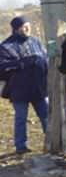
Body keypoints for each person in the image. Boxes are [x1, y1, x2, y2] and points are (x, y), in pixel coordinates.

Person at [0, 16, 48, 154]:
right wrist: (21, 64)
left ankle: (53, 140)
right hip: (19, 89)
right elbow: (2, 67)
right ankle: (21, 146)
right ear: (16, 29)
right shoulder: (6, 46)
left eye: (28, 25)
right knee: (21, 118)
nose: (27, 28)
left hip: (39, 87)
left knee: (46, 115)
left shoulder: (36, 42)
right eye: (23, 26)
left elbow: (45, 59)